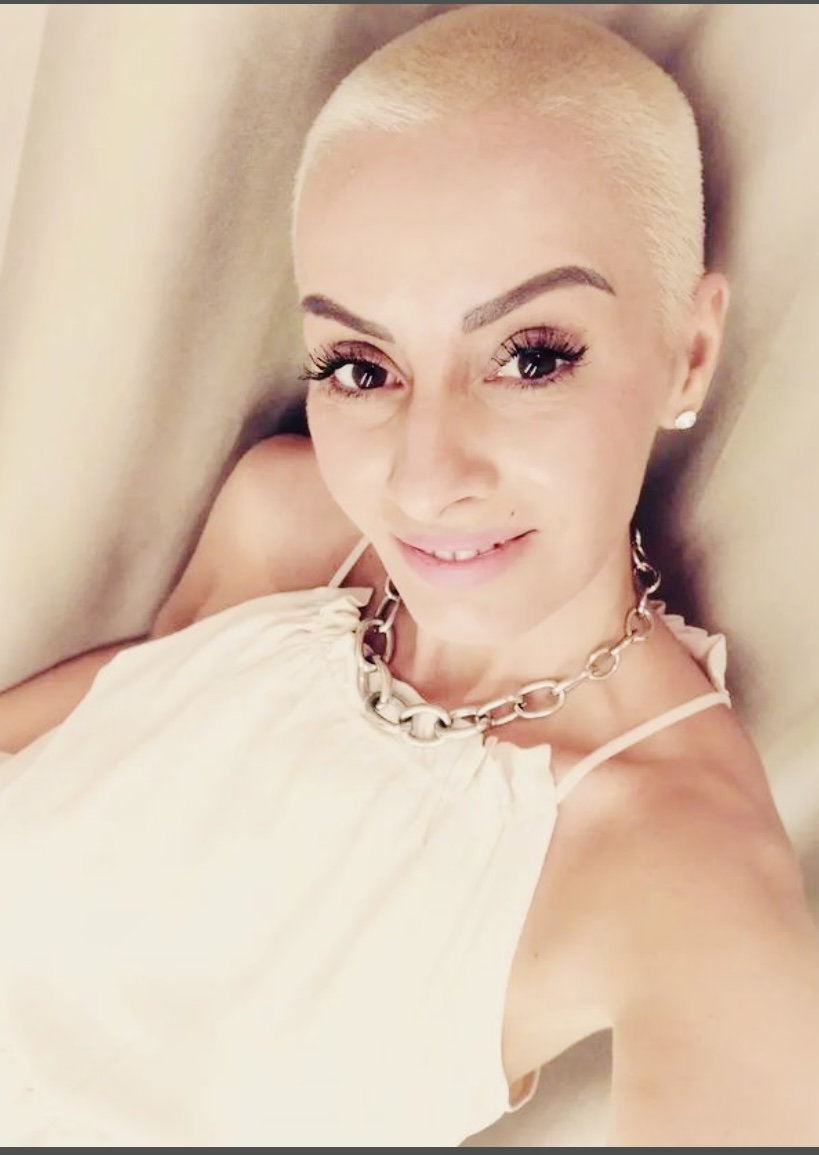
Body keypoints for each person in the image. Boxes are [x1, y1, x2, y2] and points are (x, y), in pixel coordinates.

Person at [1, 4, 818, 1146]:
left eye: (530, 358)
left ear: (689, 352)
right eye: (361, 365)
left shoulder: (682, 865)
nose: (425, 479)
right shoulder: (289, 521)